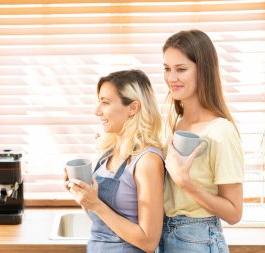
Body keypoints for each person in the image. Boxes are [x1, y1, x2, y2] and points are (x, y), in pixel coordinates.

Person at [156, 30, 244, 253]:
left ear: (203, 70)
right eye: (167, 68)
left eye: (181, 69)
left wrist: (186, 183)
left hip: (197, 240)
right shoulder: (173, 124)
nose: (171, 78)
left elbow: (234, 213)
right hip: (164, 236)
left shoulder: (220, 131)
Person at [64, 69, 165, 253]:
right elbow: (103, 223)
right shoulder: (108, 154)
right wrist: (84, 197)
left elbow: (149, 241)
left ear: (133, 108)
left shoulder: (147, 160)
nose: (97, 111)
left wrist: (96, 204)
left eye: (105, 103)